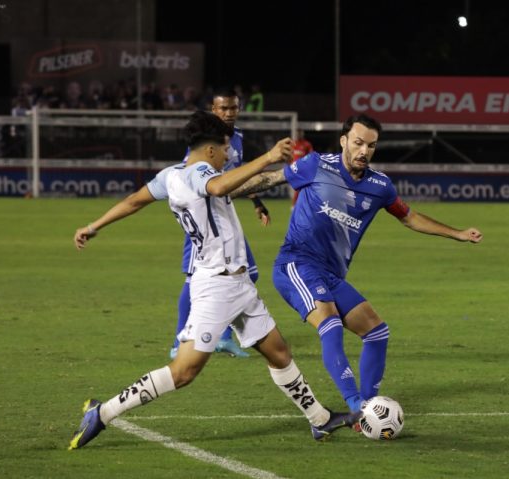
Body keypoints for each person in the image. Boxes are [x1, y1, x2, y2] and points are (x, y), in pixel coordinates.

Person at [69, 111, 359, 450]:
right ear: (209, 151)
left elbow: (134, 201)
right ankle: (102, 413)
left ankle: (320, 420)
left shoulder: (170, 176)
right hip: (216, 286)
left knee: (279, 352)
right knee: (184, 372)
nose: (227, 157)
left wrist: (93, 226)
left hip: (237, 284)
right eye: (225, 151)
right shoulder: (202, 172)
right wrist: (267, 157)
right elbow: (219, 184)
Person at [232, 114, 483, 413]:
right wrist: (220, 190)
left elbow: (410, 217)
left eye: (371, 146)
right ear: (344, 141)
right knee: (331, 323)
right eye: (358, 143)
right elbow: (269, 179)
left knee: (377, 332)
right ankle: (355, 406)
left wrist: (457, 234)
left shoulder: (380, 186)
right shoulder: (316, 164)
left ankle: (368, 405)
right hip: (296, 263)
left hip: (332, 275)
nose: (364, 151)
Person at [168, 88, 272, 360]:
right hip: (203, 220)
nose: (229, 113)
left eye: (233, 108)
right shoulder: (203, 141)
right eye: (223, 109)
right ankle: (180, 341)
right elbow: (186, 174)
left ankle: (223, 337)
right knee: (193, 279)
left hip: (225, 219)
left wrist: (257, 202)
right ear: (213, 110)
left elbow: (238, 173)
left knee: (248, 273)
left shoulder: (236, 138)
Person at [289, 128, 313, 207]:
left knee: (302, 188)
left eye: (300, 133)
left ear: (303, 134)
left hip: (303, 169)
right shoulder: (293, 144)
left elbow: (311, 156)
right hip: (294, 169)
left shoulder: (306, 144)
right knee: (298, 188)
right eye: (298, 133)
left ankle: (297, 205)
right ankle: (294, 205)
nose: (299, 134)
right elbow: (289, 157)